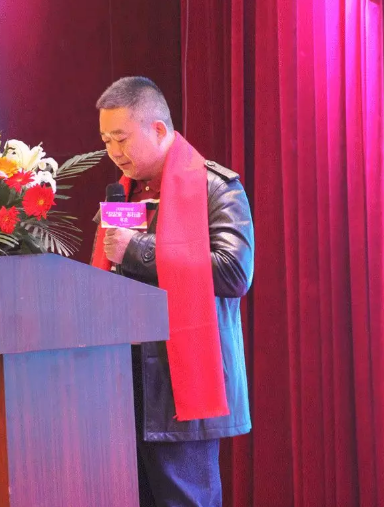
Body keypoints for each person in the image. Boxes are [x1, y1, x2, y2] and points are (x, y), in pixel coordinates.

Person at [91, 76, 254, 507]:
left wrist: (136, 250)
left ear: (159, 129)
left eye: (121, 138)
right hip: (123, 381)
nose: (114, 152)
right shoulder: (124, 196)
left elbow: (234, 272)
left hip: (181, 382)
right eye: (106, 141)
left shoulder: (214, 186)